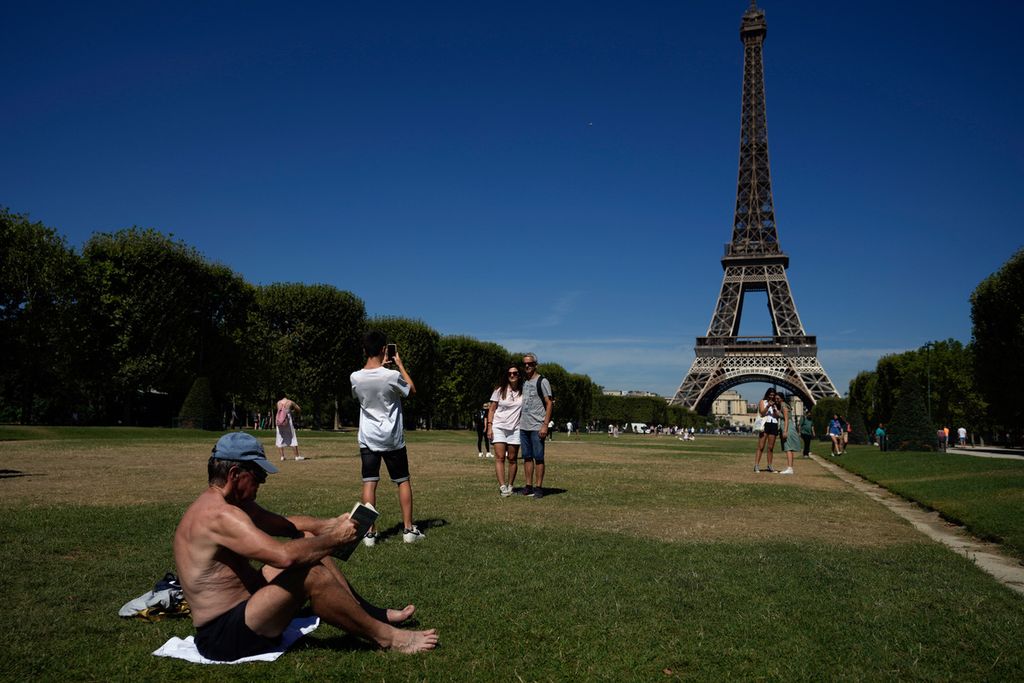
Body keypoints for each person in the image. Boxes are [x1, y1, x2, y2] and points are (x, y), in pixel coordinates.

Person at [173, 432, 438, 662]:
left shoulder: (228, 504)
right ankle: (389, 638)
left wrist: (327, 526)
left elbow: (284, 525)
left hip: (243, 611)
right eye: (258, 476)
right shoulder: (220, 516)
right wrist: (334, 540)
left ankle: (368, 612)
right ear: (234, 474)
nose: (261, 484)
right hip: (224, 635)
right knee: (311, 573)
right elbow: (282, 558)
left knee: (308, 540)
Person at [350, 331, 423, 546]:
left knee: (369, 483)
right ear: (384, 350)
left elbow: (361, 396)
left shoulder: (355, 377)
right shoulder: (391, 375)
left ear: (365, 350)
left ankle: (370, 534)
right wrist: (399, 365)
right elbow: (411, 391)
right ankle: (409, 530)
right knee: (402, 481)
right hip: (392, 437)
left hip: (368, 436)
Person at [519, 353, 553, 498]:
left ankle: (538, 487)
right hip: (524, 426)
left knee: (538, 458)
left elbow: (549, 403)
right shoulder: (524, 382)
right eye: (525, 364)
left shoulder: (542, 381)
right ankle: (528, 486)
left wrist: (545, 424)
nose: (527, 366)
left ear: (535, 365)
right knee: (527, 457)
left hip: (537, 426)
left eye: (530, 363)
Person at [486, 364, 523, 497]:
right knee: (500, 457)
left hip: (515, 428)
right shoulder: (499, 390)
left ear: (519, 375)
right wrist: (489, 426)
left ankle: (511, 486)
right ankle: (502, 486)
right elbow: (491, 409)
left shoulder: (523, 391)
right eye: (509, 373)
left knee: (512, 458)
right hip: (499, 426)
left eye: (515, 373)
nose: (512, 375)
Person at [754, 388, 779, 473]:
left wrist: (774, 408)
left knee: (770, 447)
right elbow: (762, 413)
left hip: (774, 424)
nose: (771, 396)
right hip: (765, 424)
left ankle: (769, 465)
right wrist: (768, 405)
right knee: (761, 446)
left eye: (773, 395)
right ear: (767, 394)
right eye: (770, 394)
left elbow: (777, 415)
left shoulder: (776, 403)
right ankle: (756, 465)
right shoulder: (762, 402)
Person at [275, 396, 303, 461]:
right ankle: (297, 456)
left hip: (279, 422)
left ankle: (282, 456)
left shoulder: (278, 402)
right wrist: (293, 411)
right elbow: (298, 409)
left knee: (279, 437)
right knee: (292, 437)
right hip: (287, 421)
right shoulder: (290, 402)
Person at [777, 394, 798, 475]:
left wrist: (785, 431)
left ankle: (790, 468)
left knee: (788, 448)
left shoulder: (784, 406)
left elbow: (786, 419)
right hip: (789, 427)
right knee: (789, 448)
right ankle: (790, 467)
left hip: (787, 428)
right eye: (776, 398)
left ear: (782, 398)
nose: (776, 400)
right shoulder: (784, 405)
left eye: (778, 398)